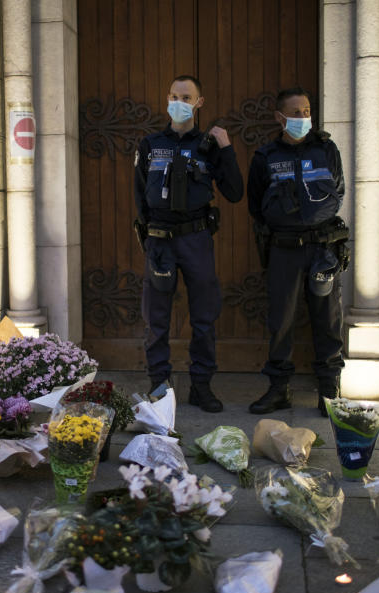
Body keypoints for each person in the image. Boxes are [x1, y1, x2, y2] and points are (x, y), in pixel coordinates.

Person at [133, 75, 244, 413]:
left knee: (204, 317)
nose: (178, 101)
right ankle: (158, 384)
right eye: (173, 95)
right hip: (160, 241)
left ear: (199, 103)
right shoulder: (150, 144)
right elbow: (139, 195)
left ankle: (201, 385)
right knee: (157, 318)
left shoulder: (209, 146)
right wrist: (149, 237)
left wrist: (226, 148)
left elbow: (235, 193)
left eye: (186, 96)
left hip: (196, 239)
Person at [246, 86, 349, 417]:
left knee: (327, 318)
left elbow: (339, 191)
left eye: (306, 111)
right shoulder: (265, 157)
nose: (303, 118)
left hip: (322, 249)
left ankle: (329, 390)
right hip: (284, 250)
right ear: (280, 118)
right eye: (295, 113)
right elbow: (256, 205)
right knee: (281, 321)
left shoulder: (326, 149)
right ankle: (279, 389)